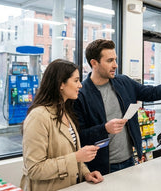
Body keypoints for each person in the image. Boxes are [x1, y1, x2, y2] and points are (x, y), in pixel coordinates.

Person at [74, 39, 161, 175]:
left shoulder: (123, 82)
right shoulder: (81, 95)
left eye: (115, 60)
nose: (115, 65)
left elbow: (153, 92)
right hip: (101, 168)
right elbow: (80, 136)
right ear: (94, 63)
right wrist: (104, 129)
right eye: (109, 61)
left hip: (130, 161)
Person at [20, 59, 104, 191]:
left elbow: (73, 153)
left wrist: (86, 173)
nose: (80, 85)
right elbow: (34, 169)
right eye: (76, 80)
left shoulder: (65, 112)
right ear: (61, 84)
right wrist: (76, 157)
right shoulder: (38, 117)